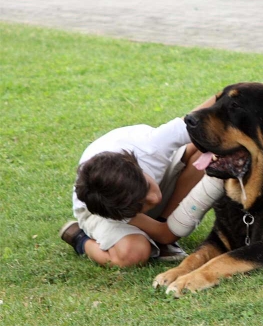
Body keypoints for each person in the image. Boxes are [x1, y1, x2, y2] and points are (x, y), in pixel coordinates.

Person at [59, 96, 224, 267]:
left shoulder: (150, 146)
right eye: (141, 205)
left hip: (133, 192)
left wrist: (242, 94)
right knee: (133, 254)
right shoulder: (110, 204)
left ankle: (162, 222)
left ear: (136, 165)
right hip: (101, 211)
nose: (154, 199)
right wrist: (167, 232)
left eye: (147, 187)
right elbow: (166, 234)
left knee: (203, 145)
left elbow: (207, 109)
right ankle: (80, 239)